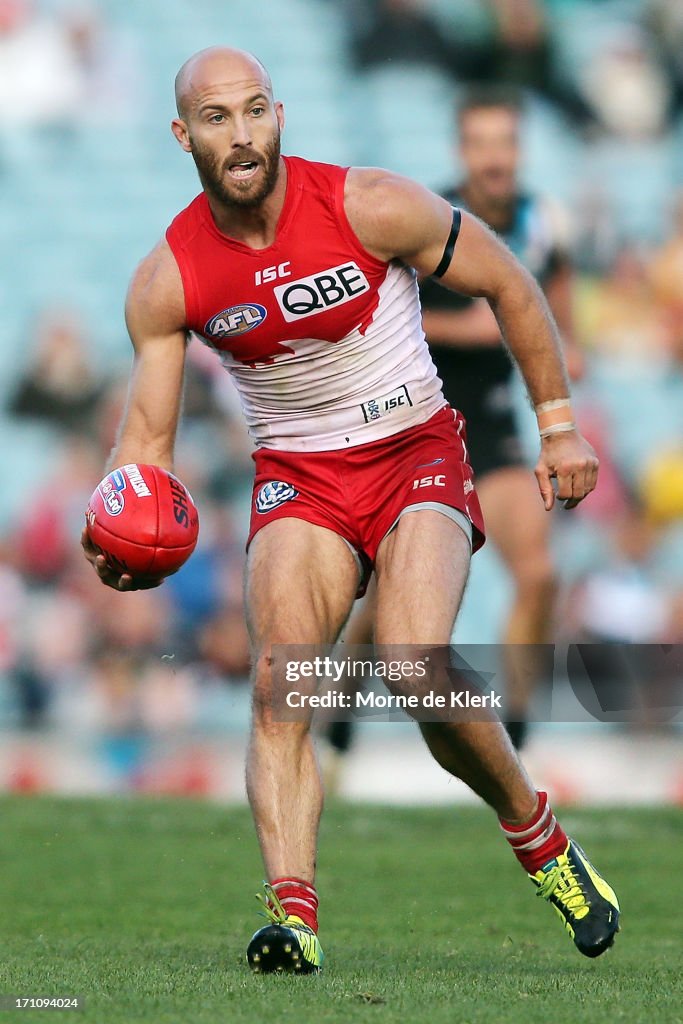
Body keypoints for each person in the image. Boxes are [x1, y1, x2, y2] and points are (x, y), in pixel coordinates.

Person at [81, 47, 619, 974]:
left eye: (254, 110)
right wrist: (114, 527)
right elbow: (146, 448)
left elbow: (511, 284)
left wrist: (558, 427)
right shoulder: (168, 278)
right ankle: (294, 918)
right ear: (183, 135)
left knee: (413, 662)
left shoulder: (368, 203)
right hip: (299, 474)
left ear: (279, 116)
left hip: (414, 447)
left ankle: (541, 842)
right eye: (216, 118)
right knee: (279, 683)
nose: (241, 133)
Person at [419, 87, 583, 750]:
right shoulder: (426, 219)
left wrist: (567, 352)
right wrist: (465, 328)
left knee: (539, 576)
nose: (494, 158)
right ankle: (338, 730)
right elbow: (382, 317)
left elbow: (561, 310)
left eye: (504, 143)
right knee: (386, 609)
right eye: (480, 143)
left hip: (487, 426)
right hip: (417, 423)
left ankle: (514, 737)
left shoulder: (543, 221)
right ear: (462, 152)